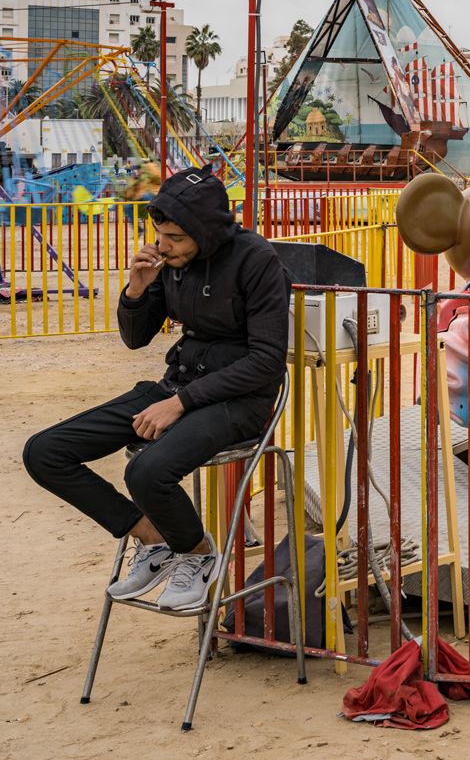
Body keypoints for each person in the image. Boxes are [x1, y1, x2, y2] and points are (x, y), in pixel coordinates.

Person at [24, 168, 290, 611]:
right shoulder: (173, 265)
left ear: (205, 233)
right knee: (44, 452)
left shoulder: (255, 259)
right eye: (159, 234)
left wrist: (180, 404)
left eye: (175, 238)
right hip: (178, 383)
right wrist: (136, 289)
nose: (163, 246)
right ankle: (154, 539)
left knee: (146, 471)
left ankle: (199, 554)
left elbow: (266, 361)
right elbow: (136, 338)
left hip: (240, 401)